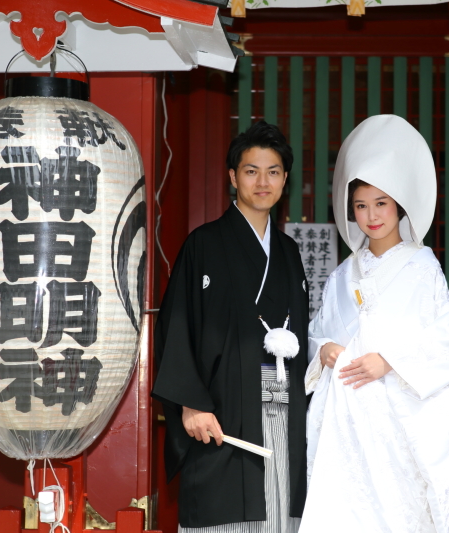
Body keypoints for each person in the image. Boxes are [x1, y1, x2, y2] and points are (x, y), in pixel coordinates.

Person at [300, 115, 449, 533]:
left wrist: (390, 361)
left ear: (398, 204)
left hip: (399, 426)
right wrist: (324, 350)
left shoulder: (422, 268)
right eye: (361, 205)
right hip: (349, 427)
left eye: (381, 203)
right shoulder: (342, 274)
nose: (371, 215)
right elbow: (319, 330)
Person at [152, 121, 309, 532]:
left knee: (279, 512)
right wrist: (190, 404)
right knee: (223, 513)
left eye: (273, 172)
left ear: (285, 180)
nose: (263, 182)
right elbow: (176, 325)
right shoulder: (203, 245)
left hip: (284, 407)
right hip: (221, 410)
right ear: (233, 177)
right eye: (251, 171)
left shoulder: (290, 252)